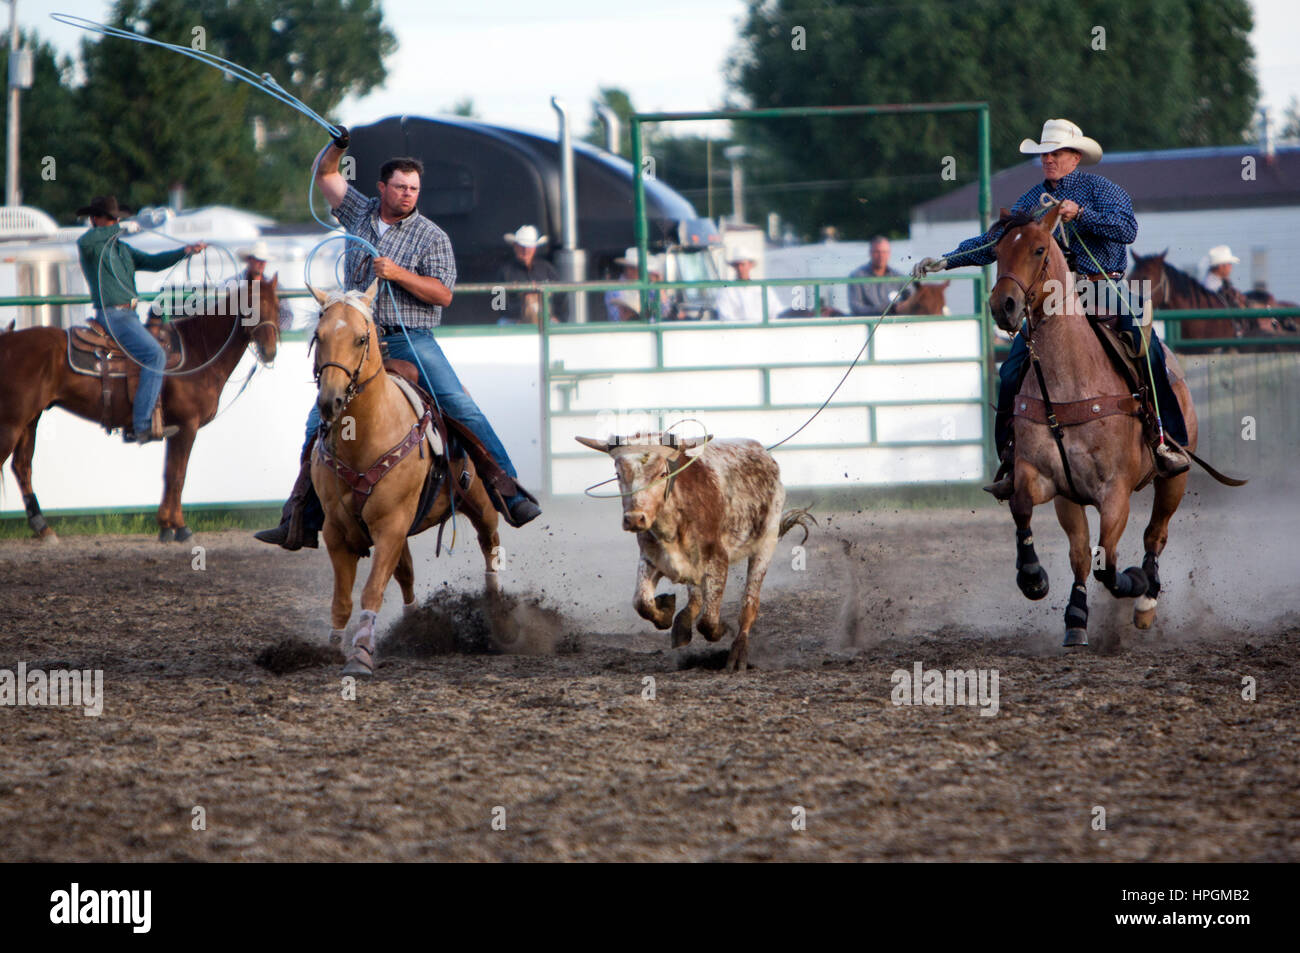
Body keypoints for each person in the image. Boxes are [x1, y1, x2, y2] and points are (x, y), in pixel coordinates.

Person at [255, 128, 541, 551]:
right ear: (382, 187)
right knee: (319, 419)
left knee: (460, 406)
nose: (408, 195)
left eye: (414, 189)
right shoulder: (359, 212)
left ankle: (508, 491)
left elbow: (443, 293)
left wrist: (399, 275)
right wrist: (338, 145)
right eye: (401, 187)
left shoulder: (432, 236)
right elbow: (325, 174)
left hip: (412, 339)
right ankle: (300, 515)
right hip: (357, 341)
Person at [911, 118, 1190, 499]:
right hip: (1054, 297)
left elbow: (1128, 230)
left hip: (1103, 285)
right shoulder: (1030, 201)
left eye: (1055, 153)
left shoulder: (1102, 190)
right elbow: (995, 240)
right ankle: (1011, 459)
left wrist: (1083, 214)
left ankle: (1164, 439)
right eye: (1044, 154)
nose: (1048, 160)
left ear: (1075, 157)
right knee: (1011, 370)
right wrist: (947, 260)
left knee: (1148, 349)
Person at [75, 194, 207, 444]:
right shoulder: (91, 246)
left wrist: (184, 251)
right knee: (154, 355)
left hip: (129, 315)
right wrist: (120, 228)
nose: (114, 222)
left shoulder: (122, 250)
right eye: (110, 218)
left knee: (161, 349)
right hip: (113, 315)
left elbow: (154, 262)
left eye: (116, 218)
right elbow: (87, 239)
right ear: (95, 219)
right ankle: (142, 424)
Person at [496, 225, 566, 324]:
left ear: (534, 248)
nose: (525, 251)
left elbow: (562, 295)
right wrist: (522, 308)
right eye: (522, 247)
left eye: (529, 247)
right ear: (515, 247)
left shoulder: (547, 269)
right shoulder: (505, 272)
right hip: (514, 322)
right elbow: (498, 304)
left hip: (546, 320)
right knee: (503, 324)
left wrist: (558, 317)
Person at [848, 236, 911, 316]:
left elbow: (912, 298)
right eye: (877, 252)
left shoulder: (899, 276)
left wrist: (902, 306)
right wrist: (886, 310)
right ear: (870, 253)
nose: (881, 256)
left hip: (895, 325)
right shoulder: (857, 276)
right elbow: (856, 308)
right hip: (870, 325)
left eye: (885, 252)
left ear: (889, 254)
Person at [604, 247, 667, 321]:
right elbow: (621, 318)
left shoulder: (649, 286)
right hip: (627, 331)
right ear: (629, 269)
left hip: (648, 330)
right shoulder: (614, 290)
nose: (646, 272)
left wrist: (659, 287)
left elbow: (665, 311)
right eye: (642, 268)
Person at [714, 254, 782, 322]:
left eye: (743, 265)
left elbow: (776, 312)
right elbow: (725, 317)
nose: (740, 268)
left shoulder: (763, 288)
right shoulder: (726, 291)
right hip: (738, 331)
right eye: (737, 265)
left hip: (763, 330)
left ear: (750, 265)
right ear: (734, 267)